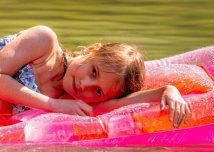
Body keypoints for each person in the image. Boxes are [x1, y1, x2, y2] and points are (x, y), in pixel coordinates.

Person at [0, 26, 190, 127]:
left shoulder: (70, 99)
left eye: (98, 91)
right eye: (93, 71)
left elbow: (117, 105)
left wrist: (168, 91)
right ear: (92, 50)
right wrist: (53, 104)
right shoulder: (44, 43)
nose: (85, 85)